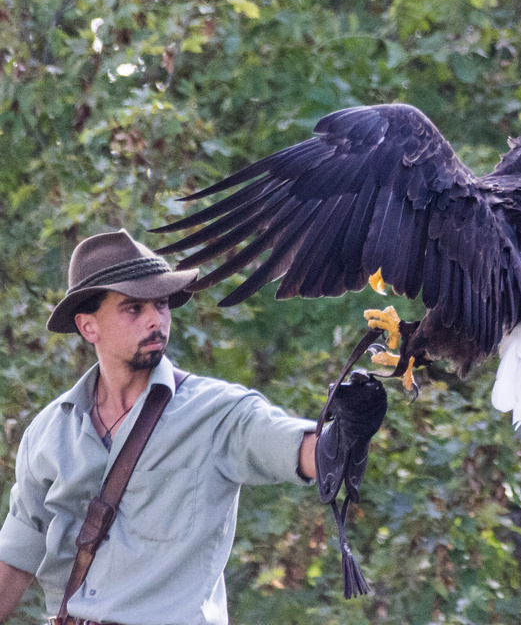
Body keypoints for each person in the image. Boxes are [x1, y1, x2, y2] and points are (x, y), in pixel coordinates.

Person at [0, 230, 321, 624]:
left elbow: (303, 450)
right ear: (88, 327)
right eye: (133, 308)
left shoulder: (218, 413)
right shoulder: (49, 432)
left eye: (162, 304)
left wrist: (341, 436)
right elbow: (14, 561)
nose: (156, 319)